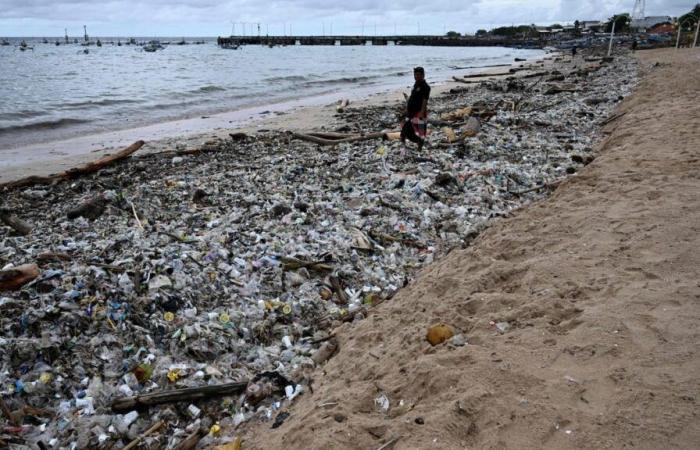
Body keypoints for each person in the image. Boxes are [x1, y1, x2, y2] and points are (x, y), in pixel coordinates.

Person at [401, 66, 430, 152]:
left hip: (419, 113)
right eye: (415, 74)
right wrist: (407, 109)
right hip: (411, 112)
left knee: (421, 132)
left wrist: (421, 112)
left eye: (418, 75)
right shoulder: (416, 84)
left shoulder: (426, 87)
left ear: (423, 75)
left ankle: (419, 145)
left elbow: (425, 100)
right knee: (405, 130)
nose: (416, 76)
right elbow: (412, 98)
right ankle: (404, 146)